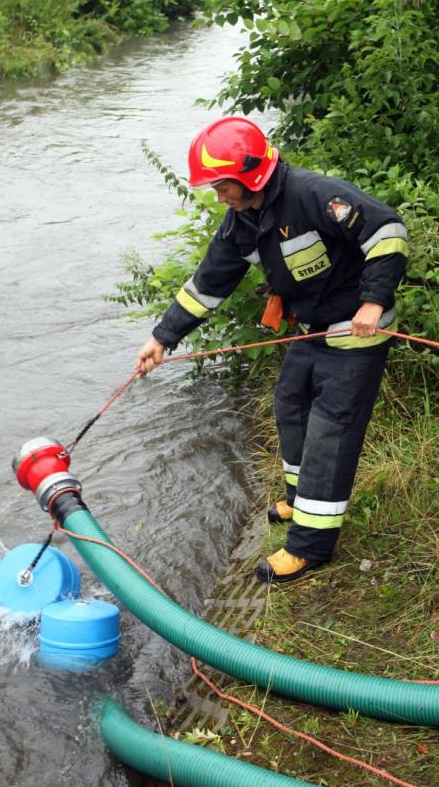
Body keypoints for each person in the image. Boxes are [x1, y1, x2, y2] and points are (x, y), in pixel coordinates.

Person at [135, 116, 408, 584]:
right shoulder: (243, 221)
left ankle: (309, 546)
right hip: (310, 331)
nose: (218, 196)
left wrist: (374, 299)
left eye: (222, 186)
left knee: (330, 433)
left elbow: (387, 232)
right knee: (290, 405)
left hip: (357, 334)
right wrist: (162, 337)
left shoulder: (314, 194)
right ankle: (300, 499)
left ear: (250, 175)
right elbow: (207, 285)